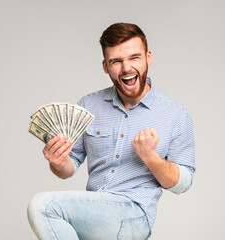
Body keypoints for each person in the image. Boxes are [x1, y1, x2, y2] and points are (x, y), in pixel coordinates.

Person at [27, 22, 196, 240]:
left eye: (134, 57)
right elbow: (70, 167)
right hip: (94, 210)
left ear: (148, 58)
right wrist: (58, 163)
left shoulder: (175, 115)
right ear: (106, 66)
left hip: (134, 214)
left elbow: (183, 184)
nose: (126, 68)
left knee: (43, 206)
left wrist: (150, 157)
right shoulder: (89, 105)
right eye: (116, 61)